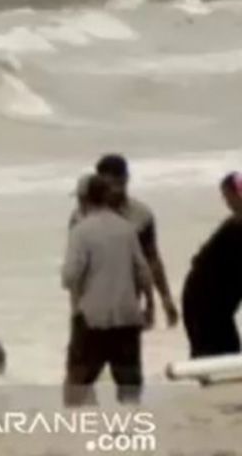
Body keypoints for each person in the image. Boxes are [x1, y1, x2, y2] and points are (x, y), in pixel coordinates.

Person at [62, 174, 152, 406]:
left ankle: (79, 431)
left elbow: (71, 275)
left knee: (78, 382)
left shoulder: (81, 231)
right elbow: (143, 271)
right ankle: (131, 430)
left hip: (92, 318)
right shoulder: (126, 229)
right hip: (127, 316)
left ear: (83, 199)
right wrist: (149, 306)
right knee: (129, 383)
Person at [71, 154, 178, 330]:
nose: (115, 190)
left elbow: (151, 260)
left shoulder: (141, 215)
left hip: (127, 305)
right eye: (110, 185)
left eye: (119, 183)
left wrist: (164, 299)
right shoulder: (80, 217)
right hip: (90, 308)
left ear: (127, 179)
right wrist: (76, 310)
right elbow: (75, 269)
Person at [180, 172, 242, 358]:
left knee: (225, 351)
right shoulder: (235, 225)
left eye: (226, 197)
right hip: (204, 301)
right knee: (215, 352)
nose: (227, 202)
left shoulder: (235, 225)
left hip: (213, 302)